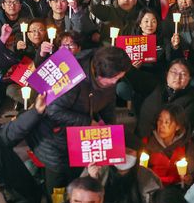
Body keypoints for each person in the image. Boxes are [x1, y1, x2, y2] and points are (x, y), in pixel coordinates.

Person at [28, 46, 131, 193]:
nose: (116, 82)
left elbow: (108, 103)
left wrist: (110, 133)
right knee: (58, 187)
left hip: (79, 137)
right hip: (55, 139)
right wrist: (88, 122)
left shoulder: (108, 76)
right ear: (99, 75)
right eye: (114, 78)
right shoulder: (73, 76)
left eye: (119, 78)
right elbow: (53, 110)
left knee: (77, 180)